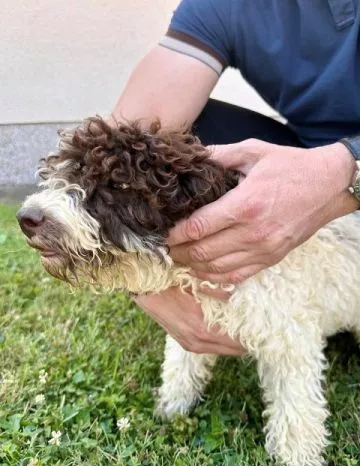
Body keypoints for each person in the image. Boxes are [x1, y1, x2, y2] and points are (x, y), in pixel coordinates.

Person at [111, 0, 360, 356]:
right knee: (170, 142)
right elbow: (124, 146)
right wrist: (142, 278)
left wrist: (344, 171)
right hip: (306, 148)